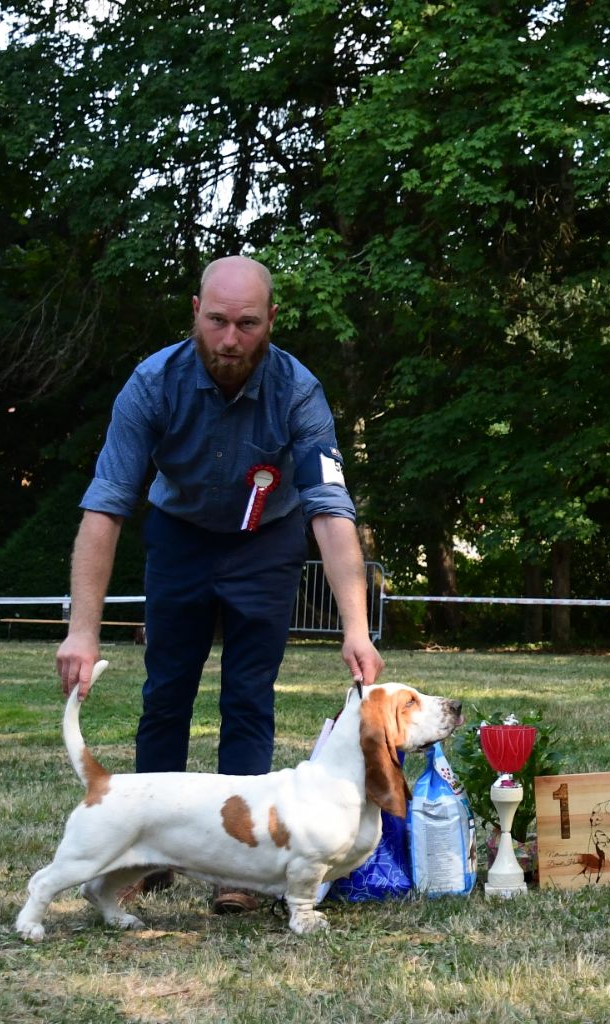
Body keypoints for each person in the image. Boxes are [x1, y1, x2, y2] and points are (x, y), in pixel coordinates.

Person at [55, 254, 384, 911]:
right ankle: (147, 847)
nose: (229, 339)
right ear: (194, 313)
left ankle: (240, 864)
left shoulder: (297, 390)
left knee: (247, 695)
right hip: (178, 538)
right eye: (216, 321)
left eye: (246, 323)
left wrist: (354, 626)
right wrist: (82, 631)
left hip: (267, 543)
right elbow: (105, 508)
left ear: (270, 322)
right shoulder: (152, 384)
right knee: (167, 691)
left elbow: (330, 510)